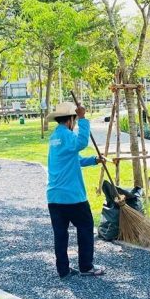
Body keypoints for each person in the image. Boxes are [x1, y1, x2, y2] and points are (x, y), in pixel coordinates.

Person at [46, 101, 105, 278]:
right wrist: (83, 118)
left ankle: (63, 270)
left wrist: (94, 160)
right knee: (85, 227)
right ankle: (86, 266)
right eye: (75, 119)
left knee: (60, 234)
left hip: (54, 196)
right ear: (71, 119)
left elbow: (74, 159)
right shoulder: (67, 135)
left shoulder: (54, 137)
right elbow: (81, 142)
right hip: (72, 196)